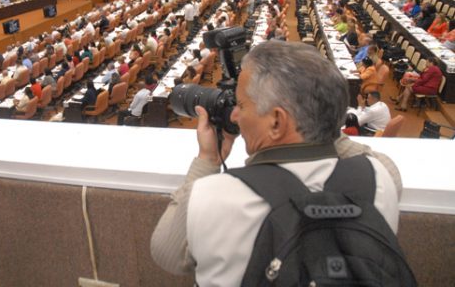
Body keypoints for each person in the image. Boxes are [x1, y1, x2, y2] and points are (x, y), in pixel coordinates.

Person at [151, 41, 401, 285]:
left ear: (277, 121)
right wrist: (321, 118)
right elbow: (356, 152)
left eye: (241, 105)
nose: (235, 116)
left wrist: (208, 160)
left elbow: (166, 253)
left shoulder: (214, 196)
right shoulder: (380, 177)